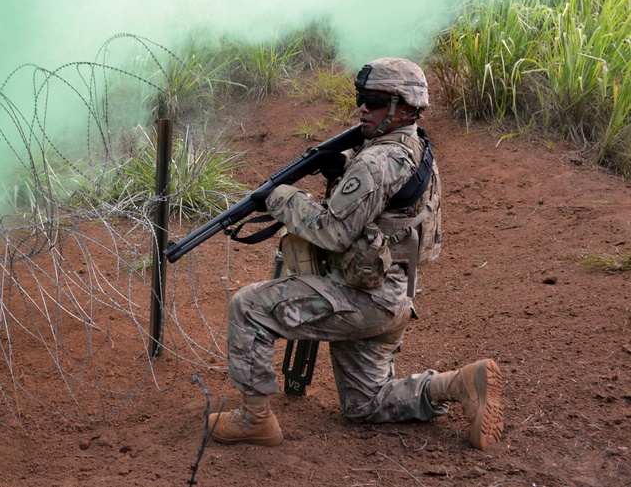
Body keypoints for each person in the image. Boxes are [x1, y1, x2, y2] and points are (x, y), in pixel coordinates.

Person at [207, 57, 504, 450]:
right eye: (361, 98)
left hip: (361, 298)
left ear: (404, 107)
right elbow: (384, 196)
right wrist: (342, 166)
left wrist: (279, 198)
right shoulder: (411, 144)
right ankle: (458, 383)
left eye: (375, 100)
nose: (363, 107)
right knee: (364, 404)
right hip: (390, 295)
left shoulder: (377, 161)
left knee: (248, 307)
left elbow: (331, 230)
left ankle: (255, 420)